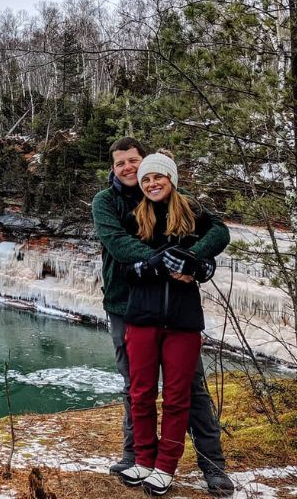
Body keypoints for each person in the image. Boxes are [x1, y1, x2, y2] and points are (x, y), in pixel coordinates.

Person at [91, 138, 234, 496]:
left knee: (190, 389)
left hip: (176, 311)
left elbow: (213, 230)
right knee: (135, 386)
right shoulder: (107, 202)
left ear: (147, 164)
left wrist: (198, 262)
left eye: (133, 161)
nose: (127, 168)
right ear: (113, 167)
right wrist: (161, 261)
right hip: (127, 305)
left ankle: (212, 465)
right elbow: (118, 244)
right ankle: (136, 456)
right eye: (120, 162)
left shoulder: (163, 190)